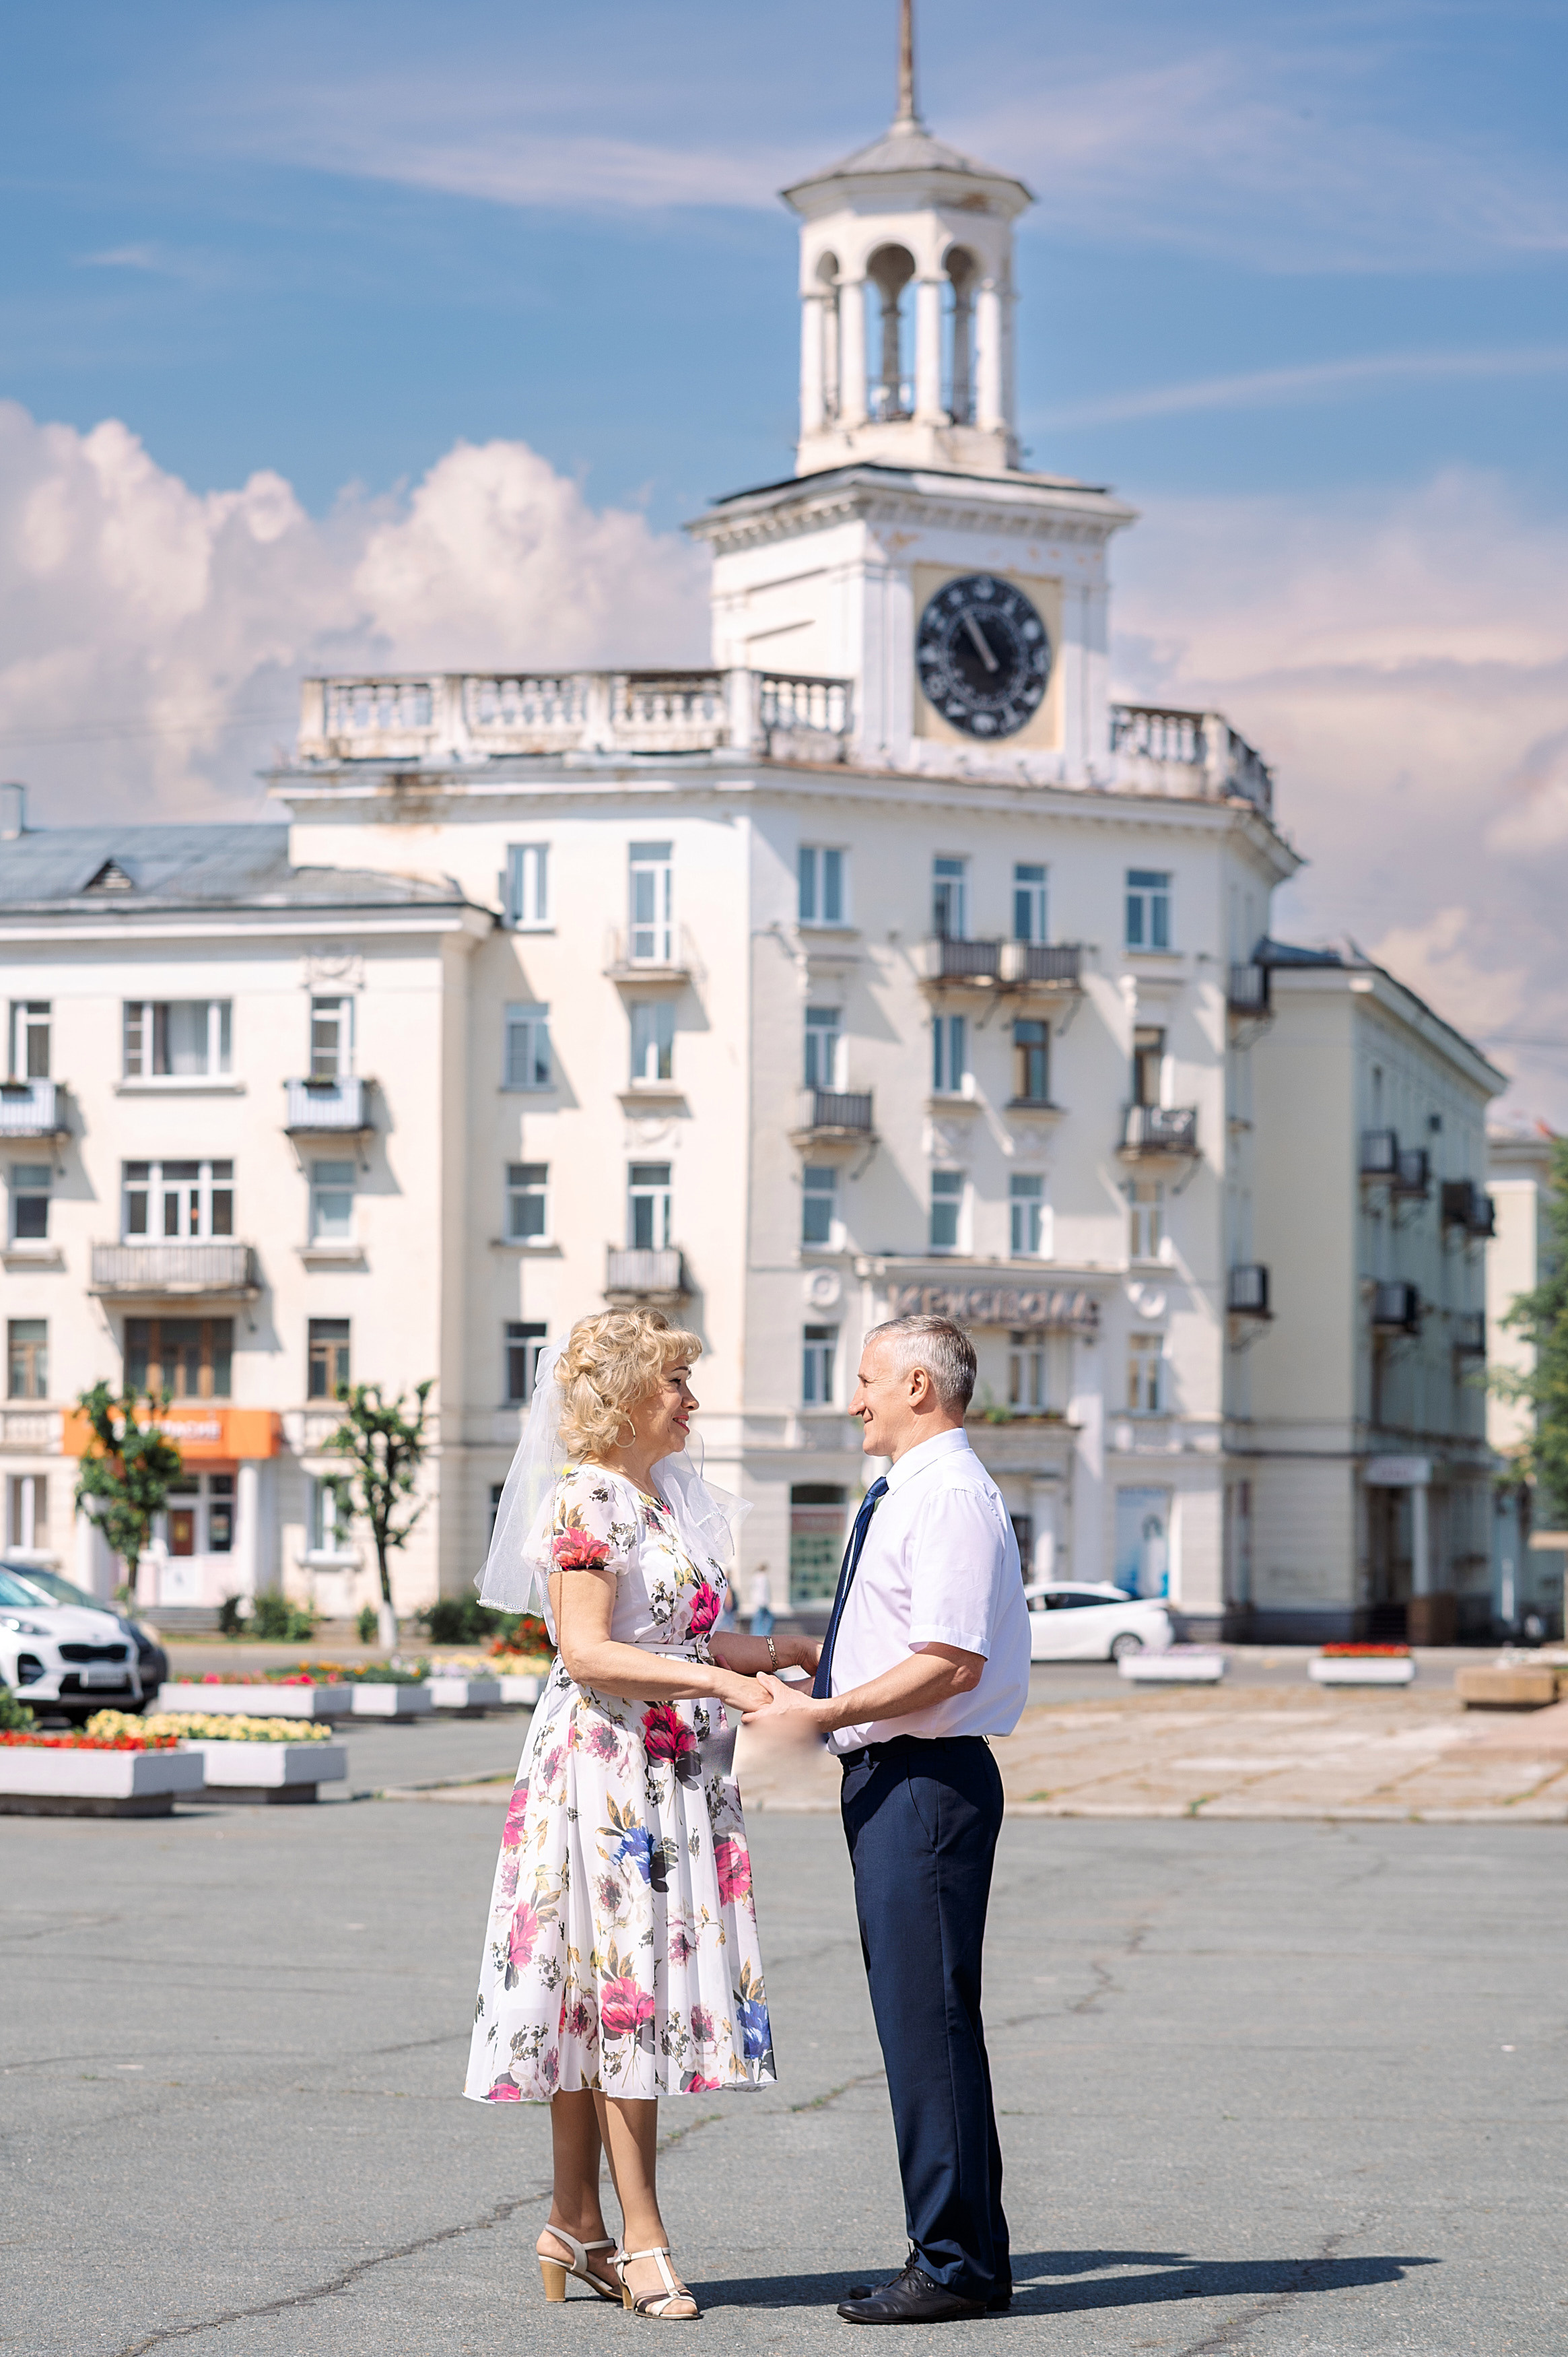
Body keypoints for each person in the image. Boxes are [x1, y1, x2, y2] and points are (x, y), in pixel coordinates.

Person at [464, 1308, 821, 2317]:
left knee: (596, 1993)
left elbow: (676, 1638)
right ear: (623, 1396)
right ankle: (643, 2240)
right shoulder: (588, 1496)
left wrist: (774, 1652)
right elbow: (587, 1653)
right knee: (625, 1994)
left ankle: (573, 2221)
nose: (692, 1401)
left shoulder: (656, 1501)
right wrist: (721, 1691)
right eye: (675, 1383)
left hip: (657, 1769)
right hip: (606, 1775)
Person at [746, 1314, 1031, 2325]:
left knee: (929, 2025)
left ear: (918, 1386)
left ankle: (955, 2266)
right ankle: (961, 2253)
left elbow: (949, 1661)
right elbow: (897, 1639)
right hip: (897, 1777)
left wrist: (820, 1712)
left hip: (922, 1780)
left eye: (864, 1378)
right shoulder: (913, 1493)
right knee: (923, 2022)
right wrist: (784, 1653)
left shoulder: (947, 1493)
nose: (852, 1396)